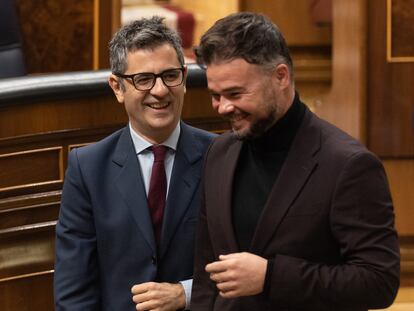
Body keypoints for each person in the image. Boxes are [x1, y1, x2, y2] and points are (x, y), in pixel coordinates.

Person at [190, 12, 400, 311]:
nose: (223, 107)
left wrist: (271, 276)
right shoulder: (219, 152)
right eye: (215, 95)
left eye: (235, 93)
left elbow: (379, 282)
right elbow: (206, 274)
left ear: (281, 77)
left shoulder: (349, 165)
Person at [54, 17, 215, 310]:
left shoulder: (218, 156)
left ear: (184, 77)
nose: (161, 90)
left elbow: (242, 265)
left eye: (170, 75)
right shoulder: (87, 168)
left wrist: (186, 293)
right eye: (143, 79)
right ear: (117, 87)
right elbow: (73, 293)